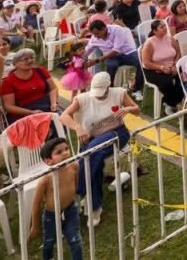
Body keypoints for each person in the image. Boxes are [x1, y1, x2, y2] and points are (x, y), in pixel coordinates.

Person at [58, 72, 140, 227]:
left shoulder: (118, 93)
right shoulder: (82, 99)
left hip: (117, 133)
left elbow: (137, 109)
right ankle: (95, 206)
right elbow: (64, 116)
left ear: (109, 87)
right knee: (92, 159)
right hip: (91, 139)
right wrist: (77, 127)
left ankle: (79, 192)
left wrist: (128, 109)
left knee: (89, 156)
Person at [29, 138, 83, 260]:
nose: (65, 153)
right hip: (51, 216)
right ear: (48, 161)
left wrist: (74, 195)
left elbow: (76, 182)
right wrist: (35, 225)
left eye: (66, 149)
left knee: (75, 241)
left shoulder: (74, 166)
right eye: (59, 152)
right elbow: (36, 203)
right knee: (49, 242)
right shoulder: (45, 180)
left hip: (70, 211)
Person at [83, 20, 144, 101]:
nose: (96, 36)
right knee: (111, 66)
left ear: (104, 28)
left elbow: (116, 50)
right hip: (111, 57)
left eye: (97, 33)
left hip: (127, 53)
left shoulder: (117, 30)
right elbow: (87, 50)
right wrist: (79, 60)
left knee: (141, 62)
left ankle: (136, 89)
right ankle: (109, 90)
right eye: (94, 34)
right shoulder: (94, 37)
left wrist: (97, 60)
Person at [0, 49, 59, 122]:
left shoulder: (40, 71)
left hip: (46, 105)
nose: (30, 61)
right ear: (15, 64)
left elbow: (52, 88)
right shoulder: (8, 81)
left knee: (60, 121)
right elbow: (9, 106)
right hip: (24, 112)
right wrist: (31, 113)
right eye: (25, 59)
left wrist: (53, 103)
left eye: (32, 58)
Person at [139, 19, 184, 113]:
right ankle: (171, 103)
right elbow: (146, 62)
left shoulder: (170, 39)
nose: (165, 28)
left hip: (171, 65)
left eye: (165, 26)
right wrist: (161, 68)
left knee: (183, 77)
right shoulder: (149, 43)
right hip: (153, 69)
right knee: (167, 83)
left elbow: (178, 53)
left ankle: (173, 101)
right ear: (155, 31)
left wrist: (175, 64)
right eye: (161, 27)